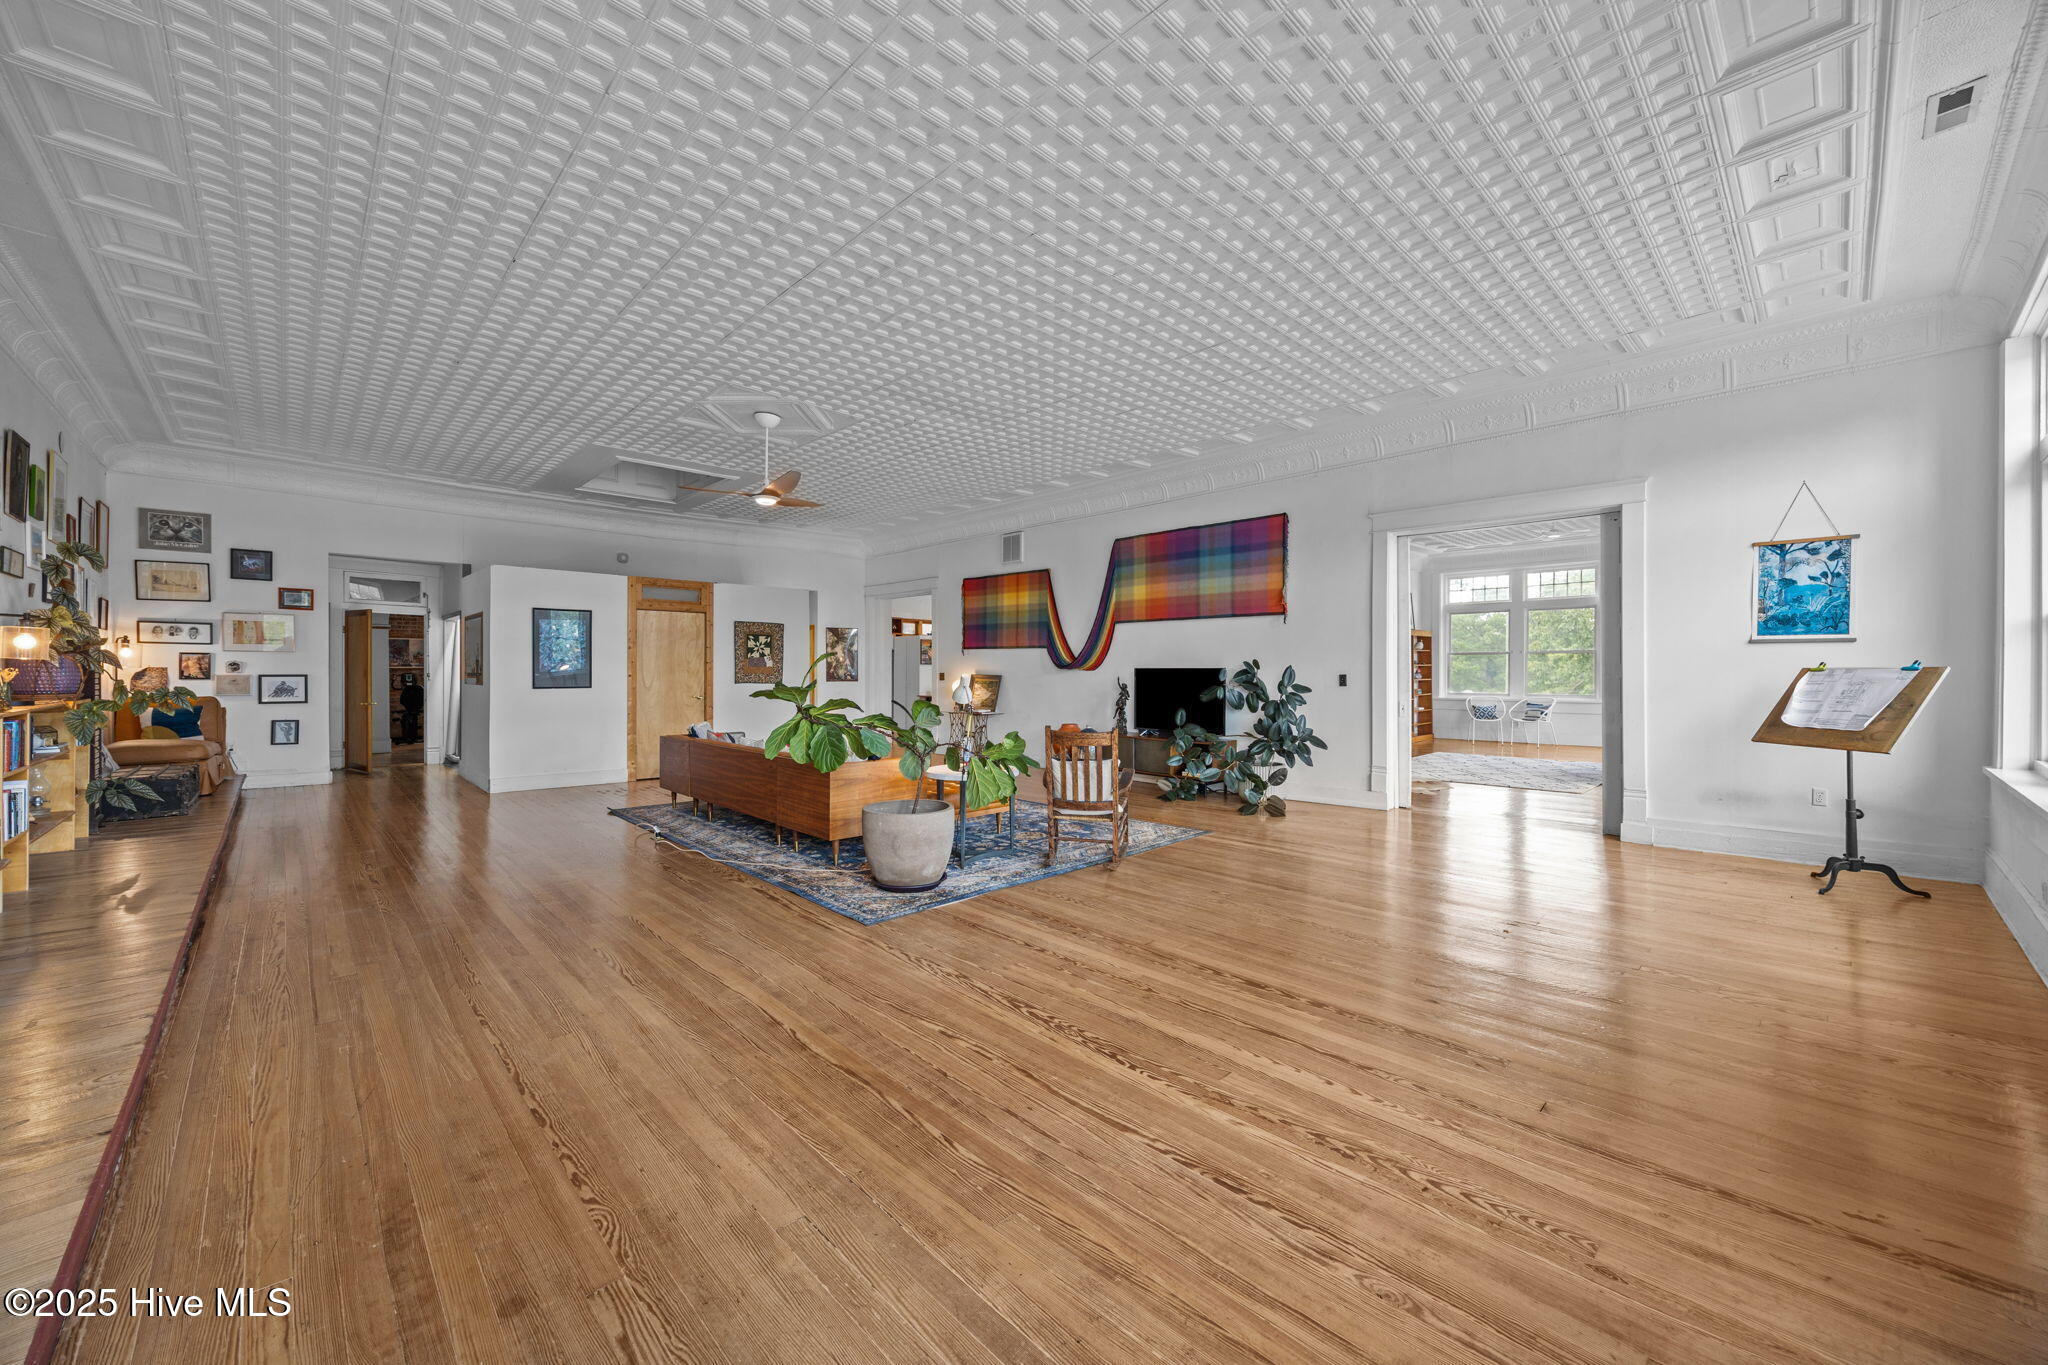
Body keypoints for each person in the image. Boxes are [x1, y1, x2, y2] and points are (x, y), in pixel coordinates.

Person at [395, 673, 426, 744]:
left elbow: (402, 700)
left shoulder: (407, 690)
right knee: (412, 721)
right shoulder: (419, 688)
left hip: (410, 710)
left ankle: (408, 738)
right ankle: (412, 738)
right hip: (416, 709)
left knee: (408, 721)